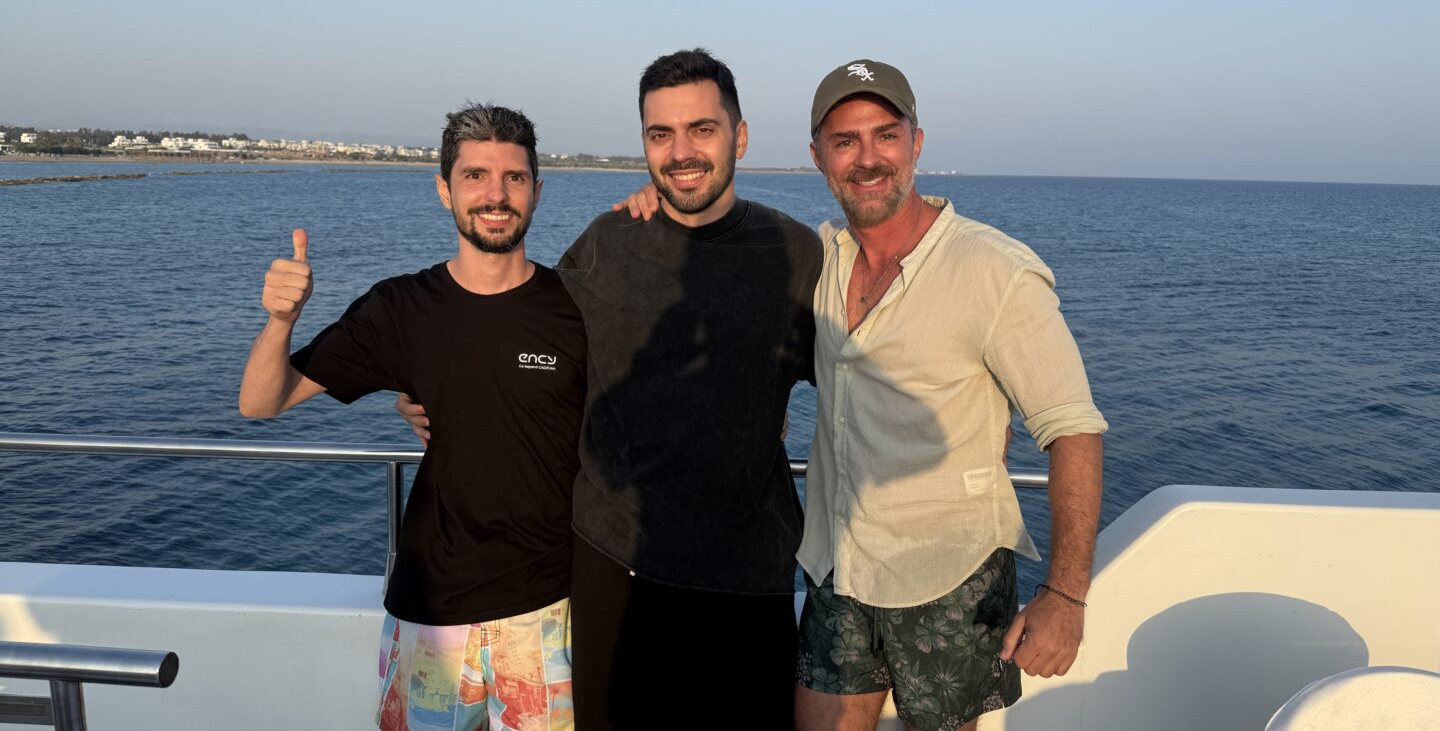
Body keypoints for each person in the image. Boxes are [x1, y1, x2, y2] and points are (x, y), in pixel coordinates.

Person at [401, 49, 822, 729]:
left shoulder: (796, 253)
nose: (681, 152)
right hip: (612, 571)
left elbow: (856, 378)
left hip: (749, 578)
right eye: (661, 134)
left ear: (739, 137)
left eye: (702, 130)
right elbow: (525, 336)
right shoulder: (609, 241)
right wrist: (425, 390)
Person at [238, 104, 585, 731]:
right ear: (444, 190)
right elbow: (263, 400)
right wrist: (281, 320)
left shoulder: (577, 308)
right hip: (430, 611)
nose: (496, 195)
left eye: (513, 177)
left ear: (537, 190)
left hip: (548, 612)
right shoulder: (400, 309)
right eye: (475, 176)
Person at [788, 60, 1108, 731]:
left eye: (886, 135)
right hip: (837, 567)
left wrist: (1065, 594)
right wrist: (652, 208)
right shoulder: (819, 258)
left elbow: (1072, 429)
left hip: (950, 579)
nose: (868, 158)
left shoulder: (995, 271)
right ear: (817, 155)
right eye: (845, 141)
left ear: (917, 143)